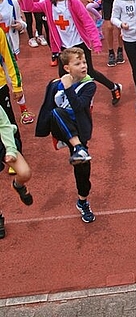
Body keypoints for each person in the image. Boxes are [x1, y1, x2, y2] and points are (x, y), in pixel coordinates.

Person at [35, 47, 97, 223]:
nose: (83, 66)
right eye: (78, 63)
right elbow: (47, 107)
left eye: (84, 62)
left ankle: (82, 201)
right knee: (56, 112)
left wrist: (69, 87)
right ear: (67, 68)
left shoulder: (89, 85)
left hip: (79, 129)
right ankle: (76, 147)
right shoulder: (55, 84)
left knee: (83, 170)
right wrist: (44, 132)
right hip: (60, 128)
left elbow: (79, 106)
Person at [0, 104, 33, 239]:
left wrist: (10, 150)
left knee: (25, 173)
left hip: (2, 141)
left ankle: (18, 185)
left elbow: (5, 126)